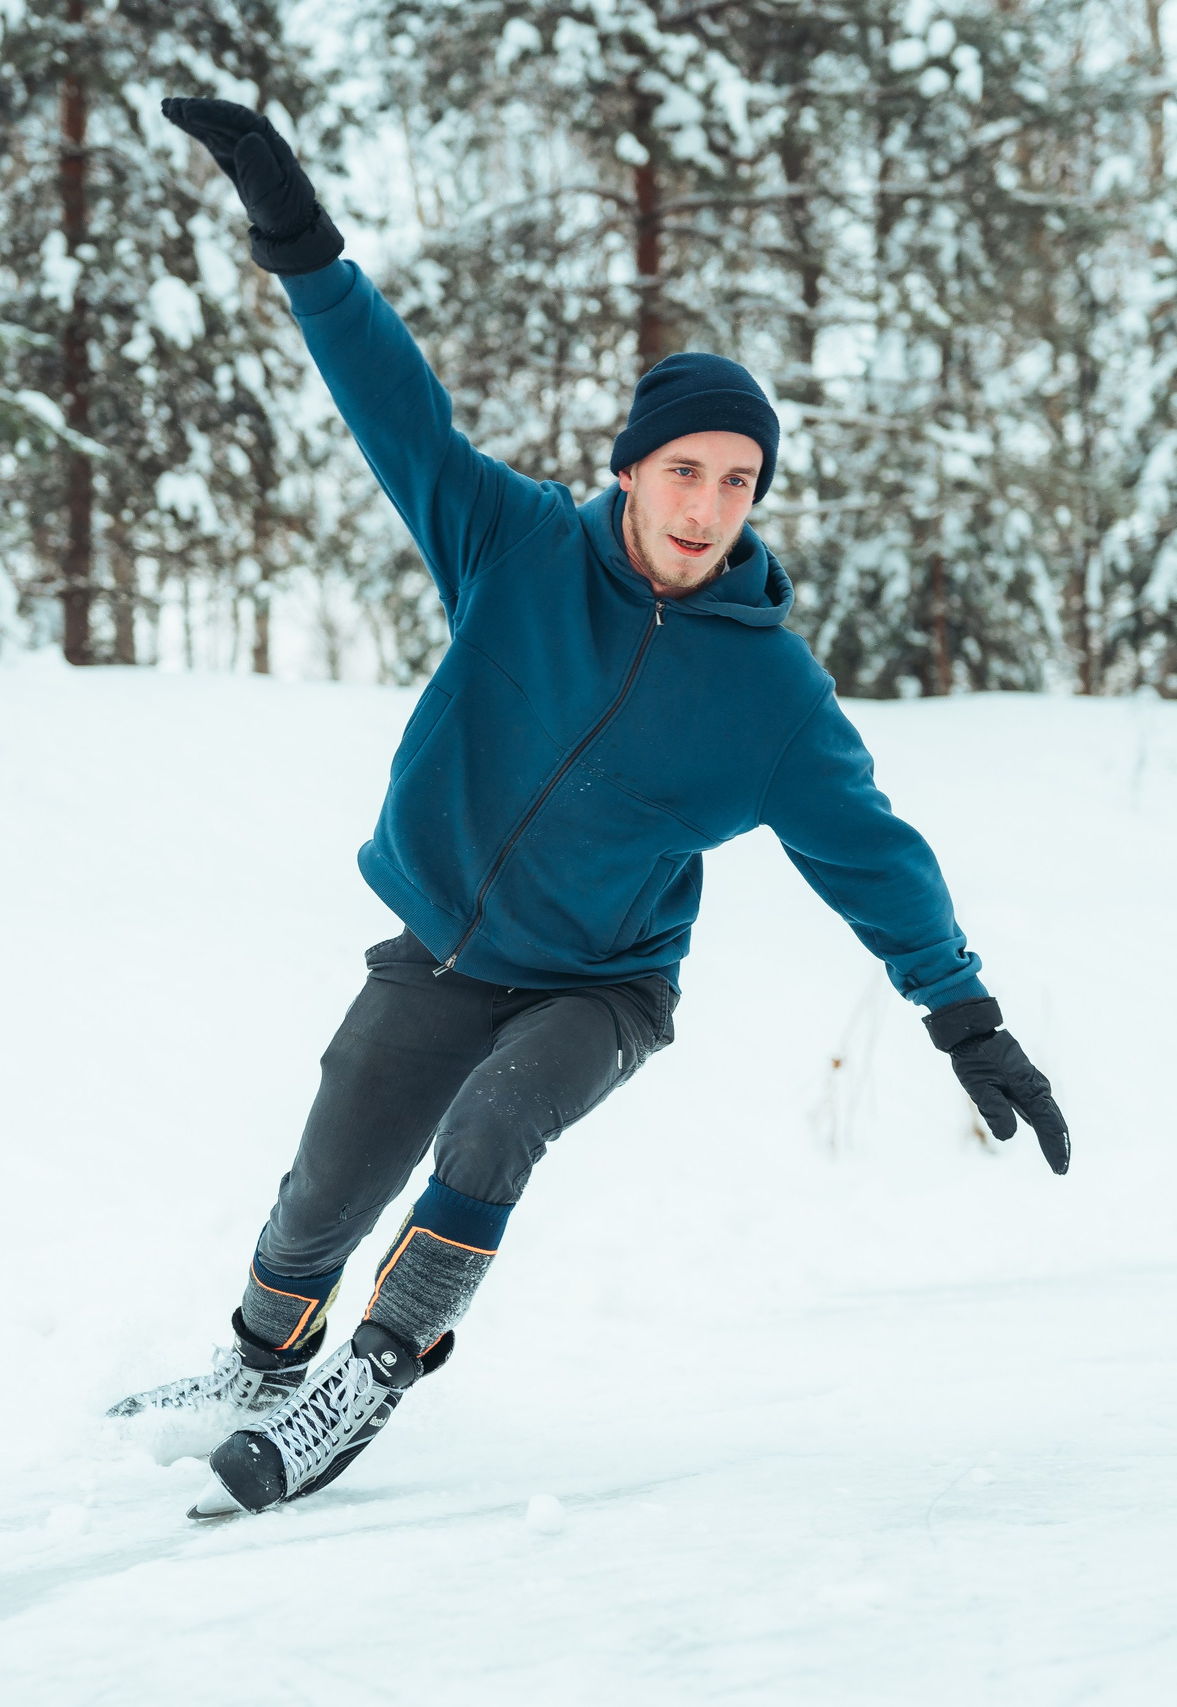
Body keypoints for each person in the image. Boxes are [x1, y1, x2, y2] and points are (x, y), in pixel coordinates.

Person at [113, 98, 1070, 1521]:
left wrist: (964, 1016)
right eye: (685, 470)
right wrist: (301, 241)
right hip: (442, 944)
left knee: (494, 1127)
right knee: (326, 1185)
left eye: (738, 483)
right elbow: (394, 400)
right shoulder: (508, 545)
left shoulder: (773, 699)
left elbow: (873, 856)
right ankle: (261, 1361)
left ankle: (374, 1373)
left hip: (603, 986)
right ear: (632, 467)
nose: (707, 505)